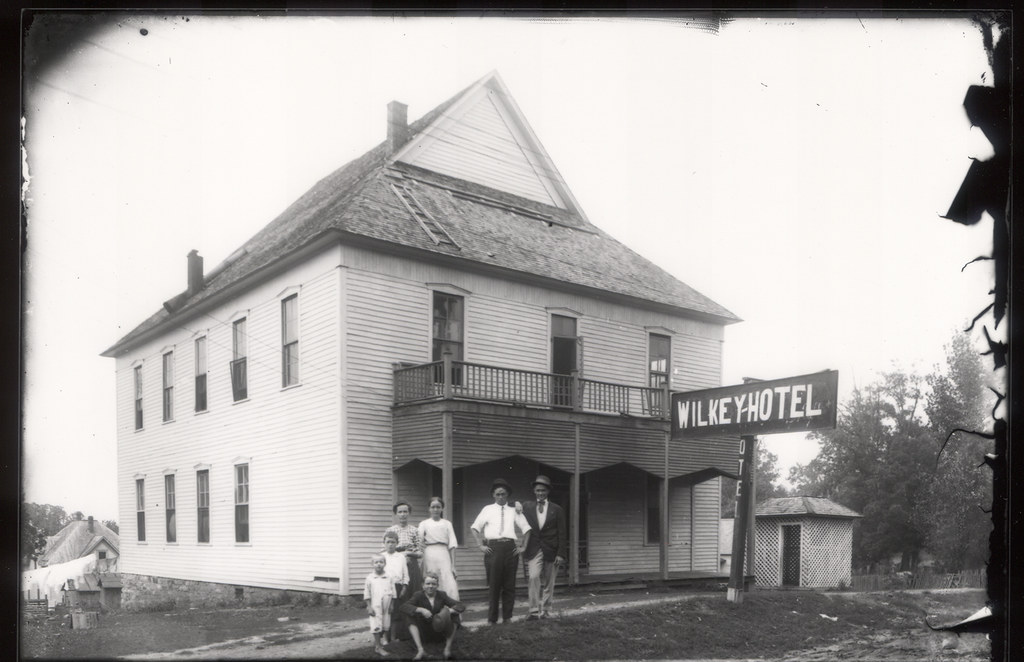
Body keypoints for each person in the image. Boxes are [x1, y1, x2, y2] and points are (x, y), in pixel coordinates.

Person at [470, 478, 531, 624]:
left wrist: (523, 547)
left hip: (510, 548)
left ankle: (507, 617)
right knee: (494, 585)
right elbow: (474, 528)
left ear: (507, 495)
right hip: (493, 549)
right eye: (498, 494)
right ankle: (492, 619)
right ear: (493, 495)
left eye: (503, 494)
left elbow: (527, 529)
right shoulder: (487, 509)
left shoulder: (514, 511)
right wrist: (480, 545)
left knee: (509, 585)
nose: (501, 497)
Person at [519, 475, 567, 620]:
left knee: (549, 581)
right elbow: (508, 506)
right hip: (534, 549)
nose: (540, 493)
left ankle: (546, 610)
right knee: (533, 577)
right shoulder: (527, 506)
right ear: (534, 491)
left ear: (548, 492)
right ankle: (533, 611)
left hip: (552, 550)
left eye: (543, 490)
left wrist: (561, 554)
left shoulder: (557, 509)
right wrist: (516, 504)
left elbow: (562, 533)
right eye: (538, 490)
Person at [400, 571, 466, 661]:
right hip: (424, 632)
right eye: (428, 584)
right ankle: (420, 649)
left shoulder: (442, 595)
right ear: (423, 585)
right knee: (409, 615)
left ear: (437, 585)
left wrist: (449, 611)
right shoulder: (418, 595)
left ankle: (447, 649)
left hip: (440, 631)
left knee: (455, 615)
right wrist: (421, 610)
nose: (430, 586)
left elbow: (460, 605)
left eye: (433, 584)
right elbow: (404, 606)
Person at [418, 497, 460, 599]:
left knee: (447, 579)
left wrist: (453, 565)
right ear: (429, 509)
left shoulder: (447, 524)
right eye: (433, 507)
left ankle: (450, 607)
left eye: (438, 507)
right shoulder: (424, 524)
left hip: (443, 553)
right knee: (431, 578)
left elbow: (452, 545)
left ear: (442, 509)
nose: (435, 509)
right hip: (429, 553)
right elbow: (418, 542)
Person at [364, 554, 396, 657]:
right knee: (376, 623)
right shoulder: (370, 578)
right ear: (372, 564)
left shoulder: (389, 576)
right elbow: (367, 594)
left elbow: (393, 591)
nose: (378, 564)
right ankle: (378, 647)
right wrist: (369, 606)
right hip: (375, 605)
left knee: (385, 623)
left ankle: (382, 642)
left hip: (387, 604)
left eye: (381, 562)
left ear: (385, 564)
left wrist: (392, 605)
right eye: (376, 562)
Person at [381, 530, 410, 642]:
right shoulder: (381, 556)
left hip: (397, 587)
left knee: (395, 613)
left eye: (393, 542)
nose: (390, 544)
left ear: (397, 543)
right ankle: (384, 638)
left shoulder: (401, 557)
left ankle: (393, 637)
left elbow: (405, 574)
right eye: (388, 542)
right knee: (385, 612)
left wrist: (404, 587)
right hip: (384, 587)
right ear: (384, 543)